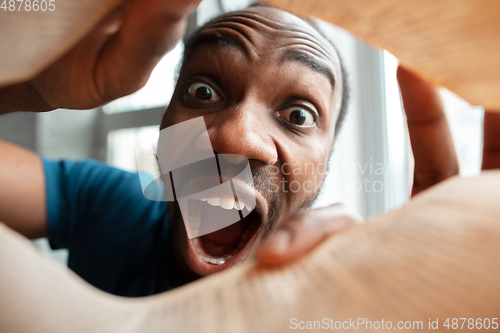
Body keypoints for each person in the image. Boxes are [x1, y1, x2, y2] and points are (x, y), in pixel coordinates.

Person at [0, 1, 492, 297]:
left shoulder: (338, 310)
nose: (236, 138)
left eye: (297, 115)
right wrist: (23, 87)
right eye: (204, 92)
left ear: (324, 167)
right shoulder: (111, 205)